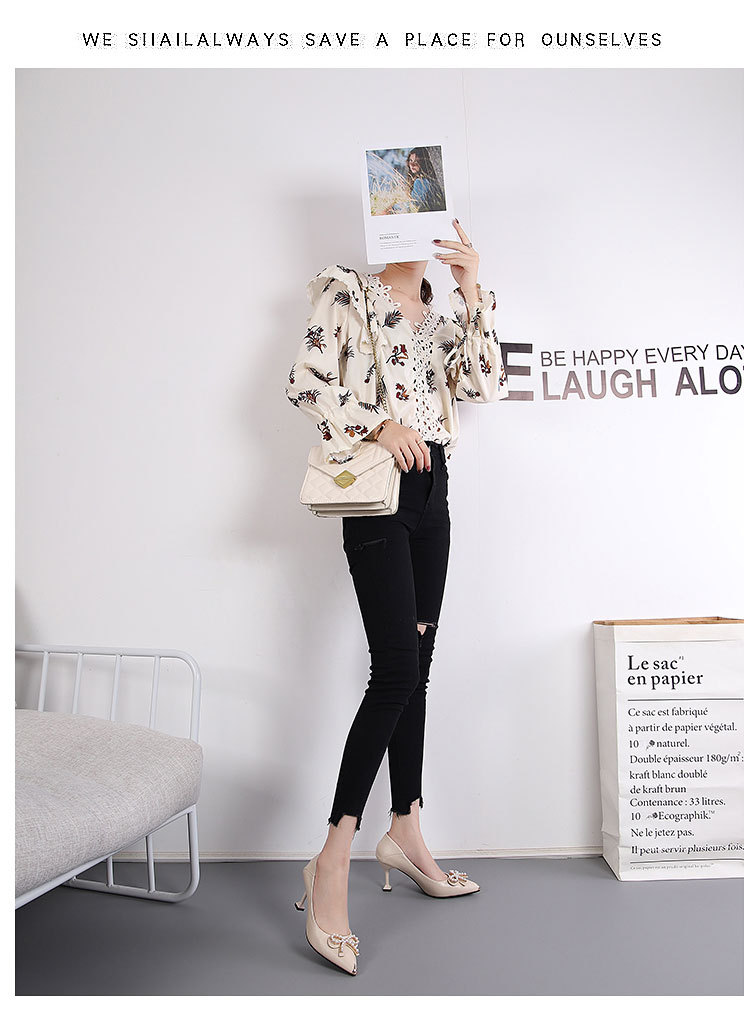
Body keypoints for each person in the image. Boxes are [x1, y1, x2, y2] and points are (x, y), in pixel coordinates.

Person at [284, 219, 510, 975]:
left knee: (418, 669)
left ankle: (406, 829)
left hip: (433, 493)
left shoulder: (441, 317)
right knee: (395, 673)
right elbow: (306, 382)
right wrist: (379, 423)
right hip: (377, 493)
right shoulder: (347, 292)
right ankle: (331, 860)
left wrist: (472, 288)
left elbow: (484, 384)